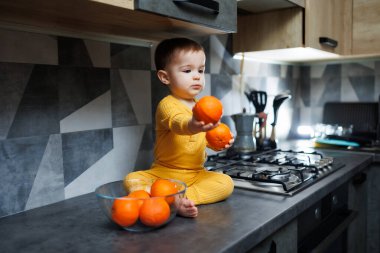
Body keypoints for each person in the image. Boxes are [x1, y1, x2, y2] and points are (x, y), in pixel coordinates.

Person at [124, 37, 234, 218]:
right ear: (165, 77)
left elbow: (203, 140)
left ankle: (182, 198)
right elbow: (178, 123)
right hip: (162, 174)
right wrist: (193, 125)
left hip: (196, 174)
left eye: (201, 70)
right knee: (132, 178)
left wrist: (219, 143)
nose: (197, 75)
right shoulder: (167, 105)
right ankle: (159, 195)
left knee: (226, 183)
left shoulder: (202, 106)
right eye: (188, 70)